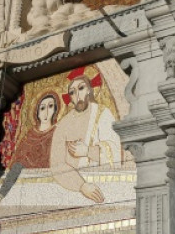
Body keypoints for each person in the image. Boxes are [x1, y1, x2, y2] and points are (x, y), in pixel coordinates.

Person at [49, 67, 121, 203]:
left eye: (81, 88)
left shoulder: (102, 114)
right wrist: (81, 185)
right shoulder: (63, 124)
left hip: (103, 184)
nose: (77, 95)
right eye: (72, 92)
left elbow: (115, 152)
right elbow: (57, 164)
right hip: (70, 190)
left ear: (89, 90)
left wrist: (88, 151)